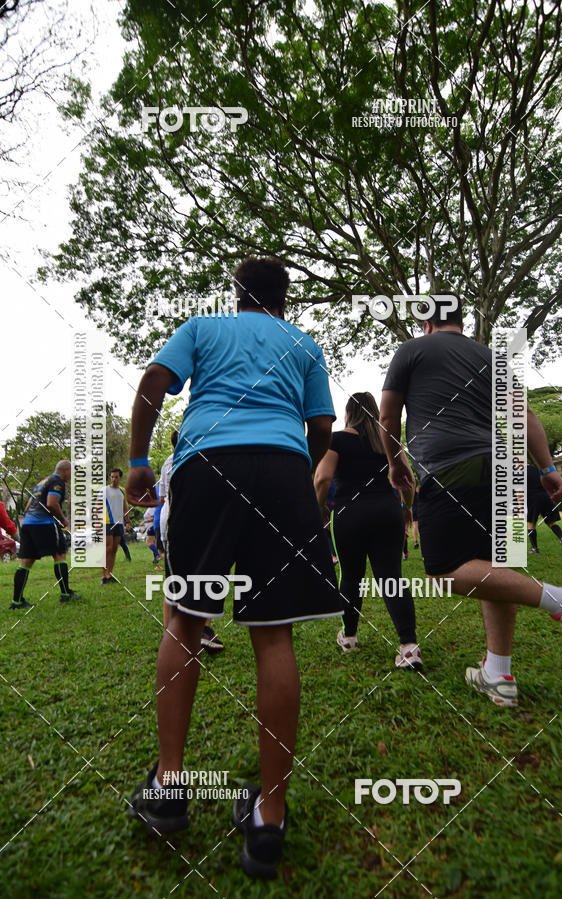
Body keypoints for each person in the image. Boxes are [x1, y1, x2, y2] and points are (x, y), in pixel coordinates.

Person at [125, 256, 342, 878]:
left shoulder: (203, 328)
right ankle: (269, 818)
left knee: (186, 618)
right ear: (285, 298)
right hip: (279, 469)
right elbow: (321, 425)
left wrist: (139, 458)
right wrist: (296, 471)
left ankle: (169, 788)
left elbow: (153, 380)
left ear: (237, 293)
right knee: (274, 635)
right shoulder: (303, 343)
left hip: (207, 463)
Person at [380, 296, 562, 708]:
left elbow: (388, 417)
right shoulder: (491, 356)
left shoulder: (410, 350)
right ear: (460, 322)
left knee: (444, 571)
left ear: (427, 323)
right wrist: (548, 468)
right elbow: (526, 416)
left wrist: (396, 463)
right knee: (500, 568)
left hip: (450, 468)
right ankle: (498, 674)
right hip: (510, 471)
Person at [314, 393, 420, 669]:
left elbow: (322, 478)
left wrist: (318, 510)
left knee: (351, 577)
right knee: (391, 578)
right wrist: (407, 508)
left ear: (348, 412)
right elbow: (407, 480)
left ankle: (348, 637)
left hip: (351, 514)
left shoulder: (336, 439)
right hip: (387, 511)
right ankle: (409, 646)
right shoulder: (386, 439)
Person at [157, 430, 224, 649]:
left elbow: (162, 497)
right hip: (191, 519)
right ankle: (203, 629)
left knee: (174, 579)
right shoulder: (199, 456)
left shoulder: (168, 462)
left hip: (170, 520)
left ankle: (171, 634)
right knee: (205, 574)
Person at [9, 460, 81, 609]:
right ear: (65, 471)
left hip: (28, 524)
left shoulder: (41, 482)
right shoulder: (58, 481)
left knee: (26, 562)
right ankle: (66, 594)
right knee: (59, 555)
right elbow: (51, 503)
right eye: (71, 472)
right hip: (45, 524)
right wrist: (62, 519)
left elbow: (28, 506)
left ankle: (17, 601)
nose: (71, 476)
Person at [527, 463, 562, 554]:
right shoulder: (537, 468)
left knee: (531, 524)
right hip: (546, 496)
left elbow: (519, 490)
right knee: (551, 522)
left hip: (533, 498)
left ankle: (534, 548)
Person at [97, 468, 131, 584]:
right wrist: (97, 523)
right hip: (106, 522)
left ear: (120, 478)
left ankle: (109, 574)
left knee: (115, 550)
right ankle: (103, 576)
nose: (114, 479)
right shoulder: (104, 490)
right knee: (107, 549)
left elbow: (124, 507)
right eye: (112, 477)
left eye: (116, 477)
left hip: (119, 524)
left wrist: (128, 522)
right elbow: (97, 508)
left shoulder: (122, 491)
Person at [412, 485, 420, 549]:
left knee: (415, 525)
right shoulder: (417, 487)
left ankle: (416, 542)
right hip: (420, 507)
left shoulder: (410, 489)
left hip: (414, 508)